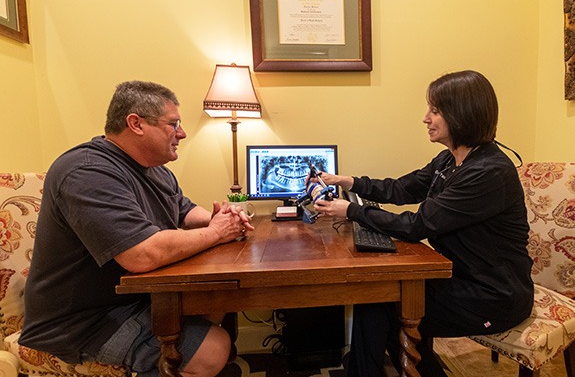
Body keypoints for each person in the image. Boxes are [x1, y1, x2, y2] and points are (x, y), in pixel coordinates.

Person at [19, 80, 254, 377]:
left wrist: (221, 218)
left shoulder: (156, 170)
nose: (181, 133)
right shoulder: (87, 171)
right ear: (136, 123)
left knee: (216, 299)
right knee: (213, 348)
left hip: (135, 299)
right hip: (82, 323)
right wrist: (218, 232)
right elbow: (140, 256)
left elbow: (184, 211)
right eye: (174, 123)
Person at [310, 70, 534, 377]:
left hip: (490, 295)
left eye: (435, 110)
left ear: (461, 114)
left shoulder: (488, 173)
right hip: (459, 278)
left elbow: (416, 225)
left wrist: (350, 211)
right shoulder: (449, 160)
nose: (425, 118)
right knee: (376, 299)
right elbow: (402, 188)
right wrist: (349, 181)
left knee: (381, 306)